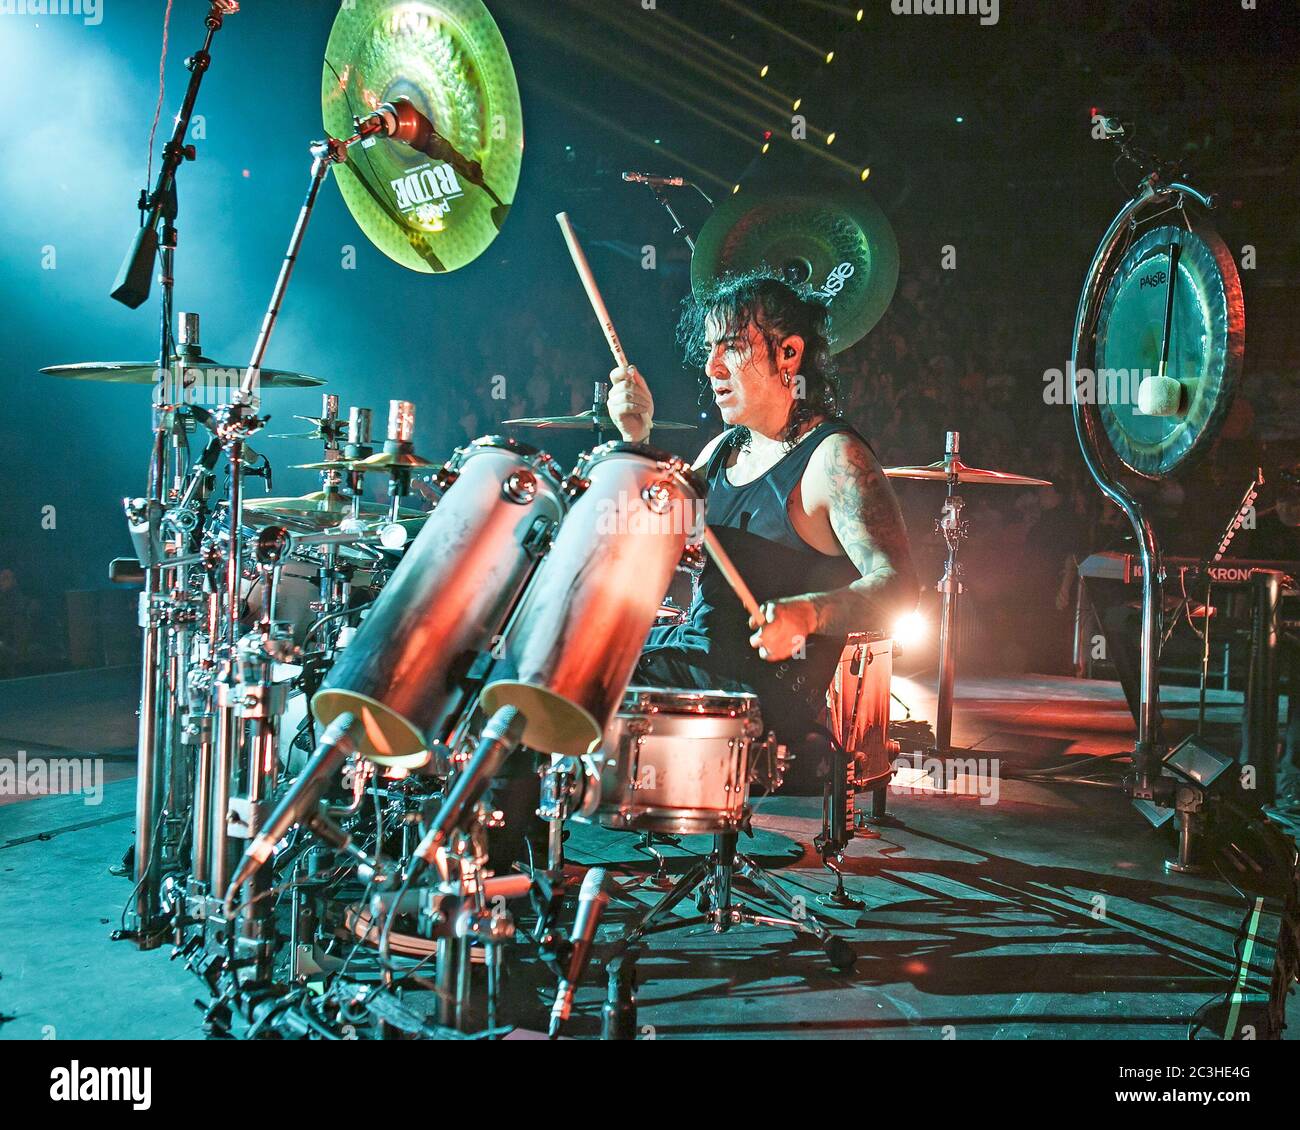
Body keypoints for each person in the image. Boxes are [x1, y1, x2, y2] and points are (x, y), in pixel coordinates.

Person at [606, 271, 918, 786]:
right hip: (693, 659)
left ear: (788, 354)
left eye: (729, 347)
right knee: (570, 649)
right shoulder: (724, 450)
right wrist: (636, 440)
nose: (710, 367)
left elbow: (900, 588)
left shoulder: (833, 459)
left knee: (582, 675)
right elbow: (653, 541)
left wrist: (808, 613)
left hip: (754, 694)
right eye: (709, 350)